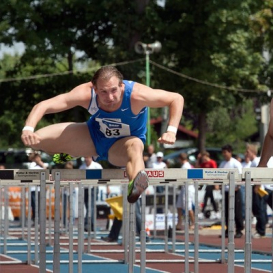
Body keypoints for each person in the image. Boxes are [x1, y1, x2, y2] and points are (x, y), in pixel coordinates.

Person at [21, 66, 184, 204]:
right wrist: (28, 128)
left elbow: (176, 98)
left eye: (114, 90)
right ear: (95, 89)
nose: (110, 98)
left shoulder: (137, 95)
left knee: (135, 147)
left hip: (123, 145)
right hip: (94, 137)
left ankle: (135, 184)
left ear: (122, 86)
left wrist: (171, 130)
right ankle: (70, 155)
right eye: (103, 92)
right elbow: (44, 105)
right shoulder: (86, 93)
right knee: (37, 139)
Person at [219, 144, 244, 238]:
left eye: (225, 152)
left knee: (237, 211)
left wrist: (237, 186)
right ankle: (228, 229)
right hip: (226, 191)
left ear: (230, 152)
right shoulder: (222, 164)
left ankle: (239, 230)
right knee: (226, 211)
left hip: (235, 191)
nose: (224, 154)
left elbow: (241, 175)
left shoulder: (235, 163)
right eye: (223, 153)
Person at [246, 144, 267, 238]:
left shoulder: (256, 161)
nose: (246, 154)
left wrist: (257, 186)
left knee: (259, 209)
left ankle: (261, 231)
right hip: (256, 186)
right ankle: (261, 229)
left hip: (258, 188)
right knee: (257, 209)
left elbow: (260, 174)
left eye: (247, 152)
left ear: (252, 152)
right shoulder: (252, 162)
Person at [79, 156, 103, 232]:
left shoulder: (96, 166)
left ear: (91, 158)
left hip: (93, 188)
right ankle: (91, 224)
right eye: (85, 158)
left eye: (87, 158)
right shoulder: (82, 167)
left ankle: (87, 224)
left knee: (91, 207)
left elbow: (103, 175)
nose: (86, 159)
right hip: (85, 189)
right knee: (88, 207)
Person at [176, 153, 195, 230]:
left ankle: (193, 223)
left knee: (188, 206)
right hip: (184, 187)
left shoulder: (186, 166)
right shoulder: (186, 165)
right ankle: (179, 223)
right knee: (179, 206)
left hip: (188, 187)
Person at [199, 151, 220, 220]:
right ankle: (216, 211)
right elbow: (198, 168)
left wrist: (216, 183)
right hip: (206, 182)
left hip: (211, 182)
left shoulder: (212, 162)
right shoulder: (204, 163)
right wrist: (198, 159)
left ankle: (203, 211)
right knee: (210, 197)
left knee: (207, 197)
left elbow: (215, 172)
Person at [28, 153, 46, 224]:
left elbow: (45, 171)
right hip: (33, 188)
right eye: (37, 158)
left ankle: (39, 219)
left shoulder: (41, 165)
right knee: (34, 205)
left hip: (40, 188)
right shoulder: (32, 164)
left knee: (40, 205)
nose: (39, 159)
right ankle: (35, 219)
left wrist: (41, 163)